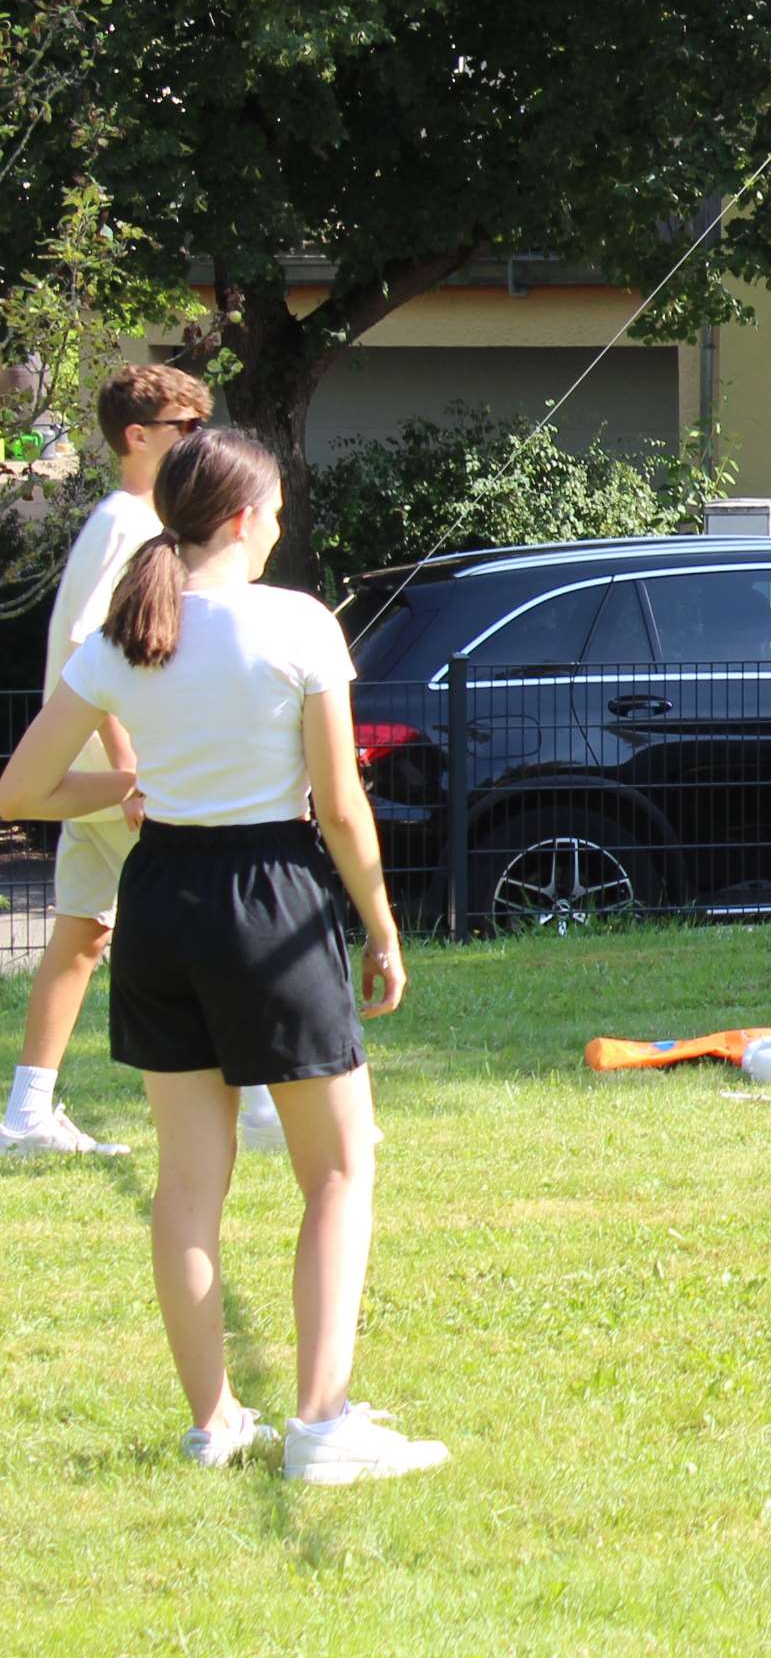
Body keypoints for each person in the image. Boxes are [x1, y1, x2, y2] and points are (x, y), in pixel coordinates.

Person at [0, 429, 446, 1481]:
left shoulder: (129, 631)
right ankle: (322, 1425)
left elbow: (20, 790)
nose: (280, 526)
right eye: (277, 510)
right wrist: (382, 927)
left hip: (160, 900)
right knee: (340, 1167)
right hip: (270, 899)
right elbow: (341, 806)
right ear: (244, 518)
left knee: (188, 1185)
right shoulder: (296, 621)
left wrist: (135, 788)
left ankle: (217, 1426)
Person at [3, 364, 290, 1161]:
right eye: (185, 429)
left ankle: (26, 1113)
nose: (200, 440)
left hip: (91, 777)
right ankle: (261, 1103)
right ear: (138, 438)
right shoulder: (130, 522)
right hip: (116, 777)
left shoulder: (129, 519)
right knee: (218, 916)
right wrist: (135, 775)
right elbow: (91, 652)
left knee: (83, 933)